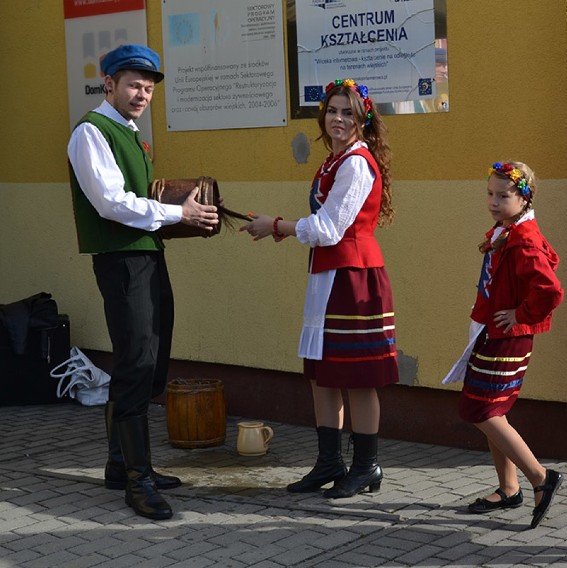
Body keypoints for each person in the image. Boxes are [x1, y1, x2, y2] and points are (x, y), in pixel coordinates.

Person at [67, 44, 219, 520]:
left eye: (149, 88)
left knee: (151, 363)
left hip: (147, 257)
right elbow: (112, 203)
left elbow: (138, 200)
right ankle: (138, 480)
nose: (142, 94)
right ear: (108, 83)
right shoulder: (92, 132)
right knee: (136, 364)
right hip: (120, 261)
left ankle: (120, 464)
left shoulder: (131, 135)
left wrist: (183, 216)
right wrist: (179, 211)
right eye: (134, 84)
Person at [240, 79, 397, 498]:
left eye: (348, 112)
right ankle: (329, 461)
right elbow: (324, 228)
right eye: (332, 111)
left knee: (358, 378)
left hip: (354, 278)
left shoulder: (356, 164)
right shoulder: (334, 161)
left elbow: (328, 228)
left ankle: (367, 466)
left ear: (362, 120)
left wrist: (276, 225)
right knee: (322, 376)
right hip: (329, 276)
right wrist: (281, 228)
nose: (338, 119)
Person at [443, 161, 564, 529]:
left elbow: (550, 290)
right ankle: (509, 488)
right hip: (491, 332)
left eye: (503, 196)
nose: (494, 202)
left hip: (506, 339)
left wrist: (520, 313)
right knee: (492, 409)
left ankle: (541, 478)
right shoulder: (508, 230)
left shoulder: (523, 240)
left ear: (523, 199)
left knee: (481, 410)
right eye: (490, 194)